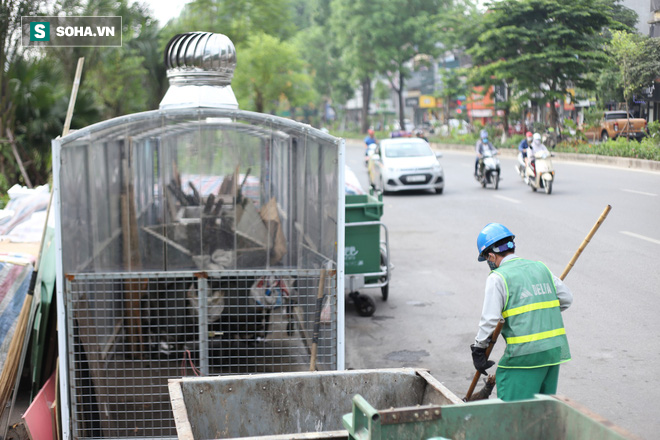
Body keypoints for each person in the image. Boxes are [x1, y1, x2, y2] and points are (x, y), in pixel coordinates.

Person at [471, 223, 573, 401]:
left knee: (514, 412)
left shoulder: (498, 277)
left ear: (491, 255)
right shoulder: (540, 268)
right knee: (541, 410)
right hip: (553, 352)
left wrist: (479, 348)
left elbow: (490, 319)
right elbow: (566, 299)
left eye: (487, 258)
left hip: (524, 355)